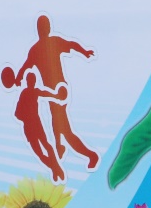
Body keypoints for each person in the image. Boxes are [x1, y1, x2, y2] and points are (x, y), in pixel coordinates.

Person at [17, 15, 98, 169]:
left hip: (59, 93)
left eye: (43, 26)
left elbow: (72, 44)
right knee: (57, 125)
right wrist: (17, 78)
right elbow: (25, 66)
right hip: (52, 94)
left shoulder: (52, 42)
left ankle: (90, 155)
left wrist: (85, 51)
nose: (42, 29)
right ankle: (60, 149)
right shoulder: (36, 49)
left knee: (64, 130)